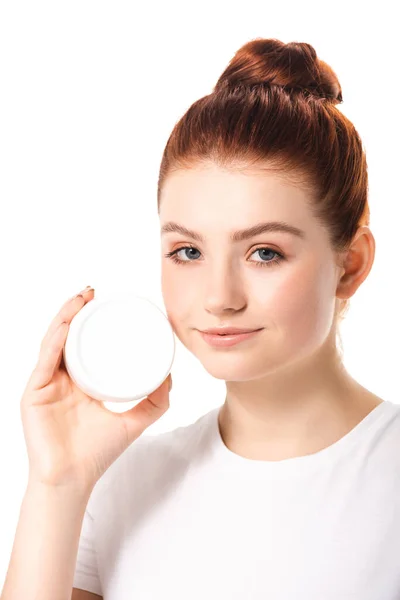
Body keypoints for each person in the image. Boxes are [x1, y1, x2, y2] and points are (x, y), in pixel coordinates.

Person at [2, 38, 400, 600]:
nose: (219, 297)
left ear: (350, 264)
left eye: (264, 252)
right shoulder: (120, 486)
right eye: (188, 251)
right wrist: (57, 483)